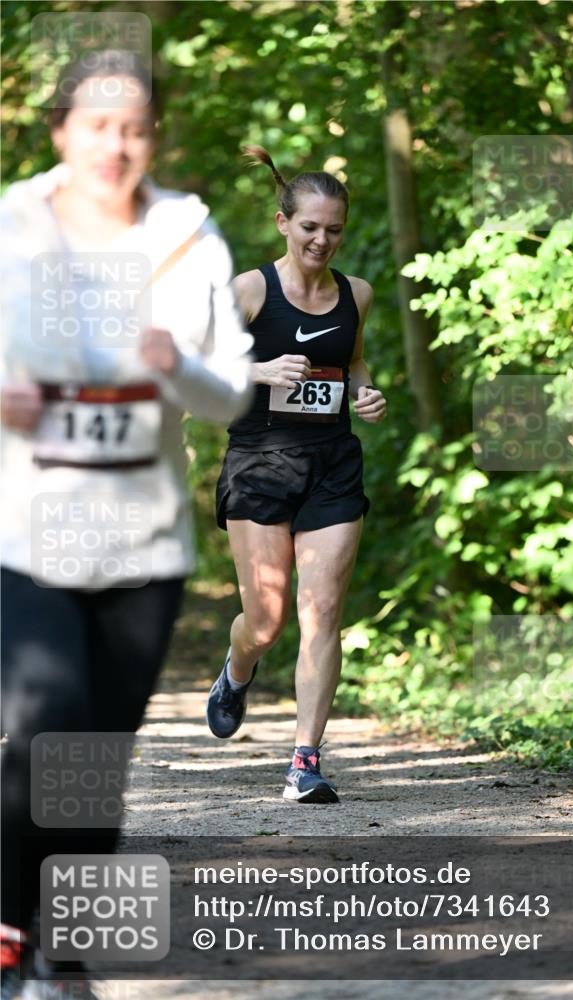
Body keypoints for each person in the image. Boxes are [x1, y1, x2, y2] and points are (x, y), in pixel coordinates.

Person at [0, 50, 252, 999]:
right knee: (43, 723)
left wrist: (176, 365)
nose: (116, 143)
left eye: (135, 127)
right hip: (24, 534)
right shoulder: (11, 226)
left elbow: (230, 392)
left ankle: (65, 962)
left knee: (95, 759)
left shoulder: (187, 235)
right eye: (98, 124)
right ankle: (7, 934)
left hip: (140, 543)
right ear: (61, 130)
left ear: (152, 139)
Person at [207, 145, 387, 804]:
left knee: (322, 613)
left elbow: (354, 364)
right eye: (309, 226)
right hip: (259, 461)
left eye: (333, 229)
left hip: (332, 462)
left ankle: (304, 761)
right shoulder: (250, 290)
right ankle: (237, 667)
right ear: (284, 222)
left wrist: (365, 394)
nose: (322, 239)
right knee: (267, 620)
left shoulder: (356, 294)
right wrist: (255, 371)